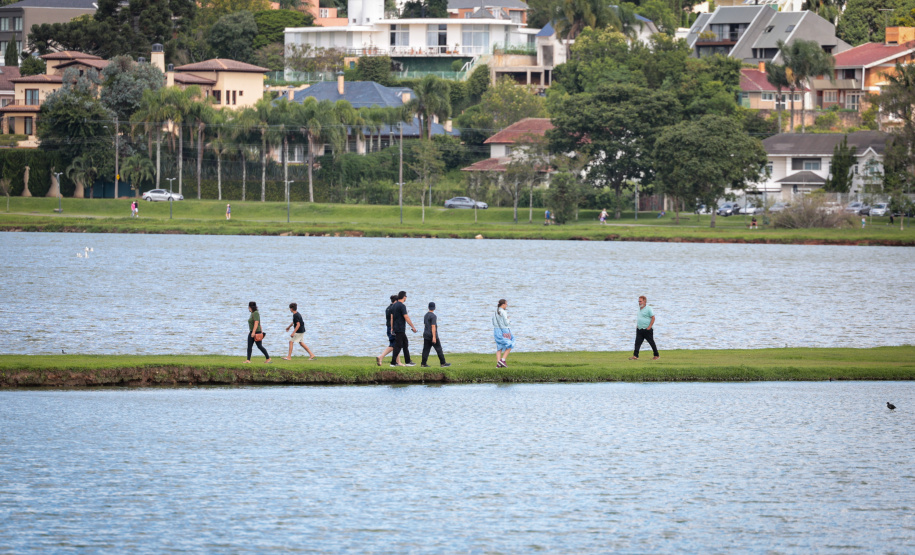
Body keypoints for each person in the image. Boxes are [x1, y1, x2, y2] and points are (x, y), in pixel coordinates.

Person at [389, 291, 416, 367]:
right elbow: (406, 317)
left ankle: (408, 361)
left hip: (396, 328)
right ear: (404, 297)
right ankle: (393, 362)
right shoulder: (402, 306)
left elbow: (392, 318)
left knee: (405, 343)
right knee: (398, 346)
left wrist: (392, 328)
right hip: (400, 328)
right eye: (406, 296)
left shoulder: (393, 306)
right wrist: (413, 327)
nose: (406, 297)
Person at [629, 295, 659, 360]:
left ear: (644, 301)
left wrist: (649, 327)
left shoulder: (648, 308)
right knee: (637, 343)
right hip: (640, 329)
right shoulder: (639, 309)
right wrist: (637, 325)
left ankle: (656, 355)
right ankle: (635, 356)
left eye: (640, 301)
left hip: (647, 329)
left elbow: (653, 318)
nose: (639, 303)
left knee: (651, 342)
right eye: (639, 301)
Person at [421, 302, 450, 368]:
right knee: (439, 349)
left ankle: (423, 363)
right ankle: (443, 363)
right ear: (434, 308)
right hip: (432, 335)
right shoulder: (433, 316)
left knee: (426, 350)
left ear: (428, 307)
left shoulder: (426, 315)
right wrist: (434, 337)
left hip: (426, 334)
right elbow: (433, 326)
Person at [376, 295, 400, 366]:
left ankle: (397, 362)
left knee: (395, 345)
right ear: (396, 301)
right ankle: (381, 357)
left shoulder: (388, 308)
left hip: (388, 328)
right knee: (394, 345)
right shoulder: (394, 309)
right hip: (393, 328)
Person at [492, 299, 514, 368]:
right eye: (506, 304)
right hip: (504, 330)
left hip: (496, 330)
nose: (506, 305)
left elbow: (493, 322)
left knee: (499, 347)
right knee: (511, 343)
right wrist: (508, 319)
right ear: (503, 304)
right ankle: (503, 360)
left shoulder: (495, 312)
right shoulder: (503, 312)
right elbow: (506, 322)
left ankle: (498, 364)